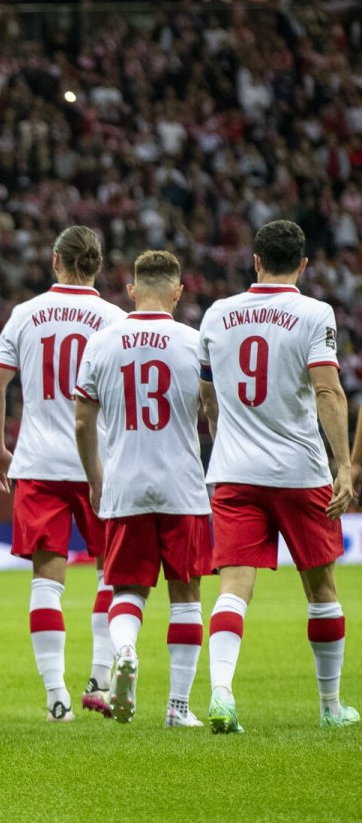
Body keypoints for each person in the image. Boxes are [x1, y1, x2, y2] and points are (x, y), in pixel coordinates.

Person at [197, 220, 358, 732]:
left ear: (257, 261)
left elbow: (207, 393)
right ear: (304, 264)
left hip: (234, 472)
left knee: (232, 588)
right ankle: (331, 707)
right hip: (299, 471)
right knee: (322, 589)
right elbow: (329, 392)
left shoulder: (218, 314)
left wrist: (225, 432)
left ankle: (221, 693)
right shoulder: (314, 313)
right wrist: (345, 465)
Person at [0, 225, 127, 722]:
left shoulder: (25, 315)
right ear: (99, 265)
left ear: (55, 260)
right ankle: (100, 682)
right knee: (113, 571)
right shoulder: (113, 318)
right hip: (99, 464)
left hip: (38, 463)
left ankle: (56, 698)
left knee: (48, 580)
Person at [72, 250, 210, 729]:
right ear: (177, 291)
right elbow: (212, 413)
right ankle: (177, 708)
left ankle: (125, 650)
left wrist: (94, 477)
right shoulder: (197, 344)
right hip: (181, 484)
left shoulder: (102, 342)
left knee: (126, 589)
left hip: (124, 483)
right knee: (186, 593)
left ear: (131, 291)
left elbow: (83, 424)